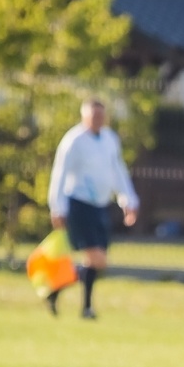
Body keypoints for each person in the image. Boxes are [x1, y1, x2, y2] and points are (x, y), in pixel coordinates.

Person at [46, 98, 139, 319]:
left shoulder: (109, 139)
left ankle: (79, 304)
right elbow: (59, 173)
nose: (98, 120)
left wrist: (128, 200)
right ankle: (72, 298)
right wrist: (56, 207)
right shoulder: (74, 141)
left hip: (100, 205)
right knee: (98, 260)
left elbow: (118, 171)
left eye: (101, 116)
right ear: (84, 116)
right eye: (93, 116)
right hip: (79, 205)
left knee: (95, 262)